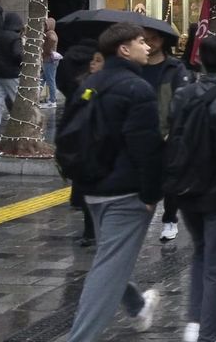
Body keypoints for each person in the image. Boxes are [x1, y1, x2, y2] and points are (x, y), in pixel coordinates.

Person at [64, 23, 163, 341]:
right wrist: (151, 193)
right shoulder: (137, 89)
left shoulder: (89, 84)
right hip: (125, 194)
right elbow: (145, 147)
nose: (147, 47)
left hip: (92, 188)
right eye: (140, 42)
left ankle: (136, 307)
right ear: (123, 49)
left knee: (110, 257)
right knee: (107, 268)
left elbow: (68, 133)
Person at [167, 35, 216, 342]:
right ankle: (207, 335)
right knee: (215, 266)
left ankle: (194, 324)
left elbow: (171, 132)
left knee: (200, 252)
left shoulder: (182, 94)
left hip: (185, 187)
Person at [141, 28, 191, 243]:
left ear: (162, 41)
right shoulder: (136, 66)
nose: (149, 43)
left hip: (168, 133)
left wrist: (174, 130)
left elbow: (182, 100)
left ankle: (170, 219)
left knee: (171, 180)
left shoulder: (174, 68)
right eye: (144, 39)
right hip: (142, 132)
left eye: (153, 39)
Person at [58, 39, 102, 246]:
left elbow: (60, 81)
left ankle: (88, 230)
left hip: (78, 127)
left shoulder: (69, 58)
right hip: (96, 140)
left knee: (84, 177)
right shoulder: (100, 64)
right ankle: (93, 230)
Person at [0, 12, 23, 145]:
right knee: (19, 103)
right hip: (12, 74)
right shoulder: (15, 38)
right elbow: (18, 55)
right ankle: (22, 131)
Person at [41, 16, 60, 108]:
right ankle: (35, 98)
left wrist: (47, 50)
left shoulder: (50, 33)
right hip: (49, 60)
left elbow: (52, 40)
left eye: (46, 24)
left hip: (49, 60)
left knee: (50, 80)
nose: (44, 26)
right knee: (42, 80)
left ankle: (53, 101)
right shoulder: (50, 33)